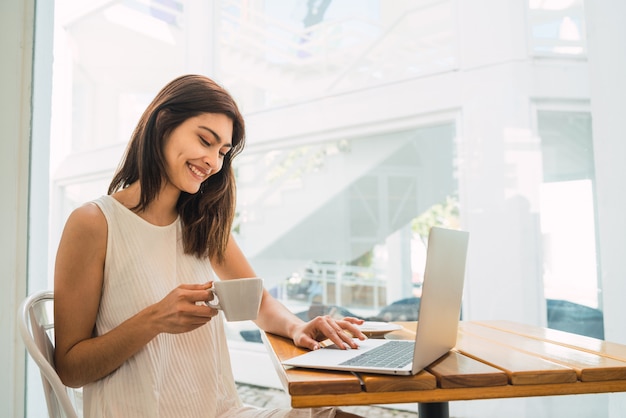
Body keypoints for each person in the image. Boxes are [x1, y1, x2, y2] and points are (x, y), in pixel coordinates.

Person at [53, 74, 367, 418]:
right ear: (163, 123)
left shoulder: (200, 224)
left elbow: (257, 300)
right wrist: (154, 319)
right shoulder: (94, 222)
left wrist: (296, 327)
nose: (214, 162)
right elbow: (70, 368)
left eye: (222, 152)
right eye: (205, 140)